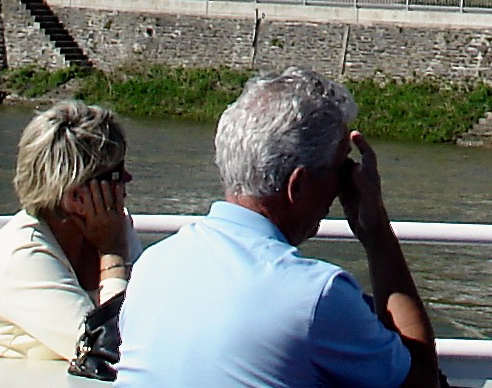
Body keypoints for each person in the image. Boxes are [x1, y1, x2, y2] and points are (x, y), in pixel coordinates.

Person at [116, 69, 437, 388]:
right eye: (342, 168)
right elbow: (422, 382)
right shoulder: (315, 295)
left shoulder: (154, 264)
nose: (347, 184)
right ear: (297, 186)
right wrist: (377, 231)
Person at [0, 99, 136, 372]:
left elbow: (148, 329)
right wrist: (113, 256)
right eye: (116, 173)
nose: (127, 178)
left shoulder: (114, 225)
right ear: (75, 195)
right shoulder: (21, 256)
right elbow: (113, 354)